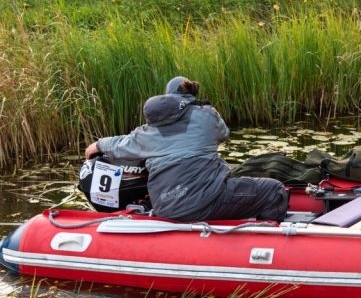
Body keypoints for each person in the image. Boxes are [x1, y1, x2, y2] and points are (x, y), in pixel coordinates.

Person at [85, 76, 288, 222]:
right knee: (274, 191)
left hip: (166, 206)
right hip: (206, 200)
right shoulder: (206, 116)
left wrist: (97, 145)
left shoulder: (148, 132)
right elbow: (224, 134)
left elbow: (120, 144)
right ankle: (263, 241)